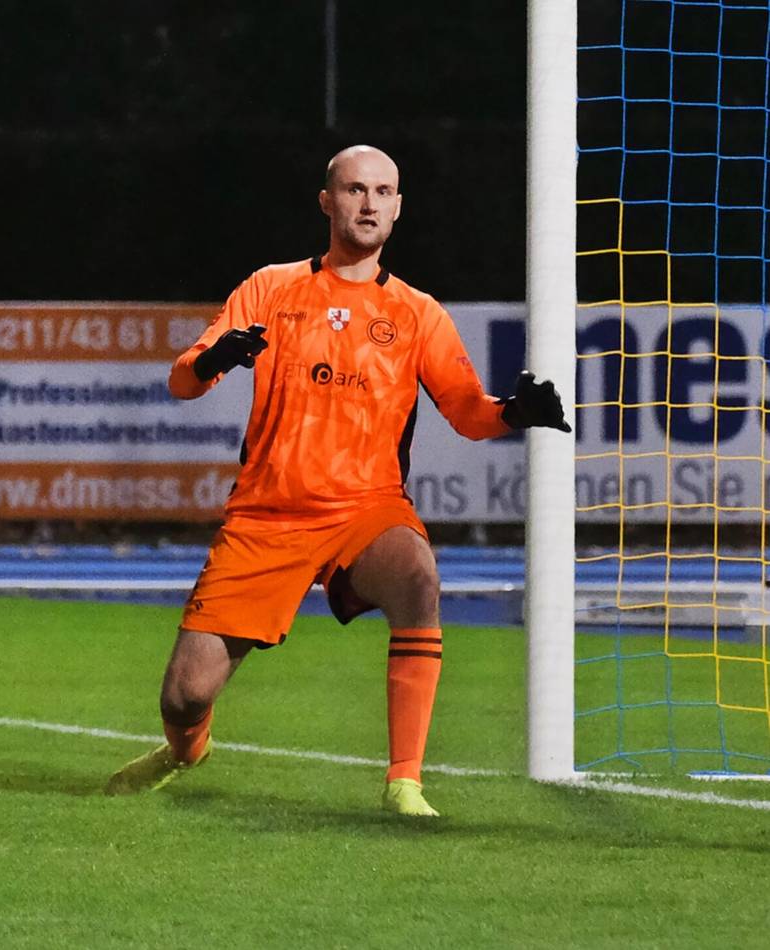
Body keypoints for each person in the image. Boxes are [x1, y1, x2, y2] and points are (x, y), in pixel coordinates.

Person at [106, 144, 570, 817]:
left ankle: (404, 782)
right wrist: (215, 358)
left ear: (400, 207)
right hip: (268, 515)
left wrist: (513, 414)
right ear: (327, 201)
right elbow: (182, 378)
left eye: (384, 192)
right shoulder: (271, 287)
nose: (370, 203)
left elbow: (469, 414)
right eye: (356, 190)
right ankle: (186, 749)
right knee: (184, 695)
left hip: (366, 509)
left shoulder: (417, 313)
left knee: (416, 574)